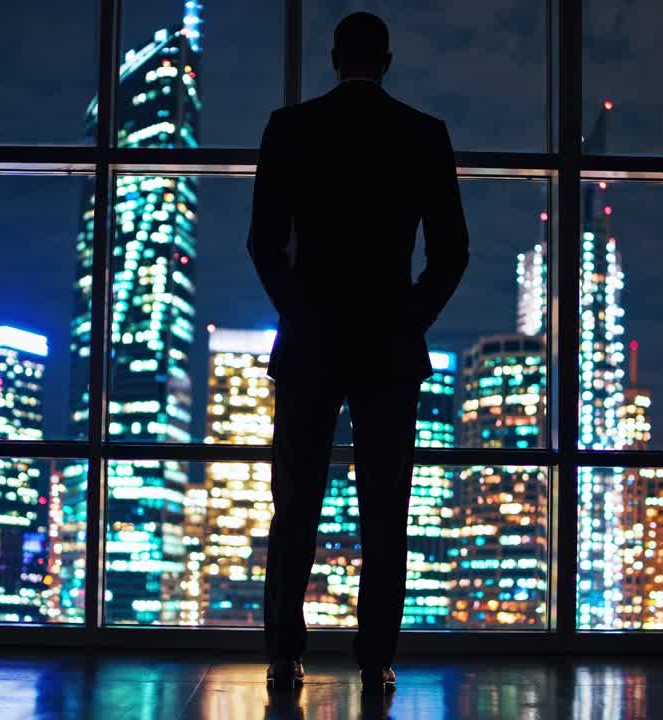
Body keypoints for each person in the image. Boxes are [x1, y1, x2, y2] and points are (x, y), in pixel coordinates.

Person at [247, 11, 470, 695]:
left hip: (312, 342)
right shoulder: (423, 136)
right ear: (388, 60)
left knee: (297, 505)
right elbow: (451, 252)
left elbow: (263, 243)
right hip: (387, 349)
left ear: (335, 56)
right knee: (385, 508)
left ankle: (285, 654)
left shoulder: (289, 129)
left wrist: (300, 313)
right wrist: (408, 319)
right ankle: (375, 660)